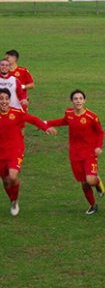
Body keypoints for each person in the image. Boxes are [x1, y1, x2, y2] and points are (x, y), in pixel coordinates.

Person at [46, 89, 105, 215]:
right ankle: (93, 205)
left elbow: (100, 132)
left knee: (90, 180)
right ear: (72, 101)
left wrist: (99, 147)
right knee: (84, 183)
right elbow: (63, 121)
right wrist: (45, 123)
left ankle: (97, 182)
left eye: (80, 98)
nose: (78, 101)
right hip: (75, 154)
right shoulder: (69, 113)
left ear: (84, 100)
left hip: (89, 153)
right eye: (75, 99)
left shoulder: (91, 116)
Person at [0, 88, 56, 216]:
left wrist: (45, 127)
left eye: (6, 99)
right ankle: (12, 199)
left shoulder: (16, 113)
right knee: (6, 181)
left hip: (15, 150)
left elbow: (33, 119)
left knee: (13, 177)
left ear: (9, 100)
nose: (3, 101)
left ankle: (15, 200)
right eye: (1, 99)